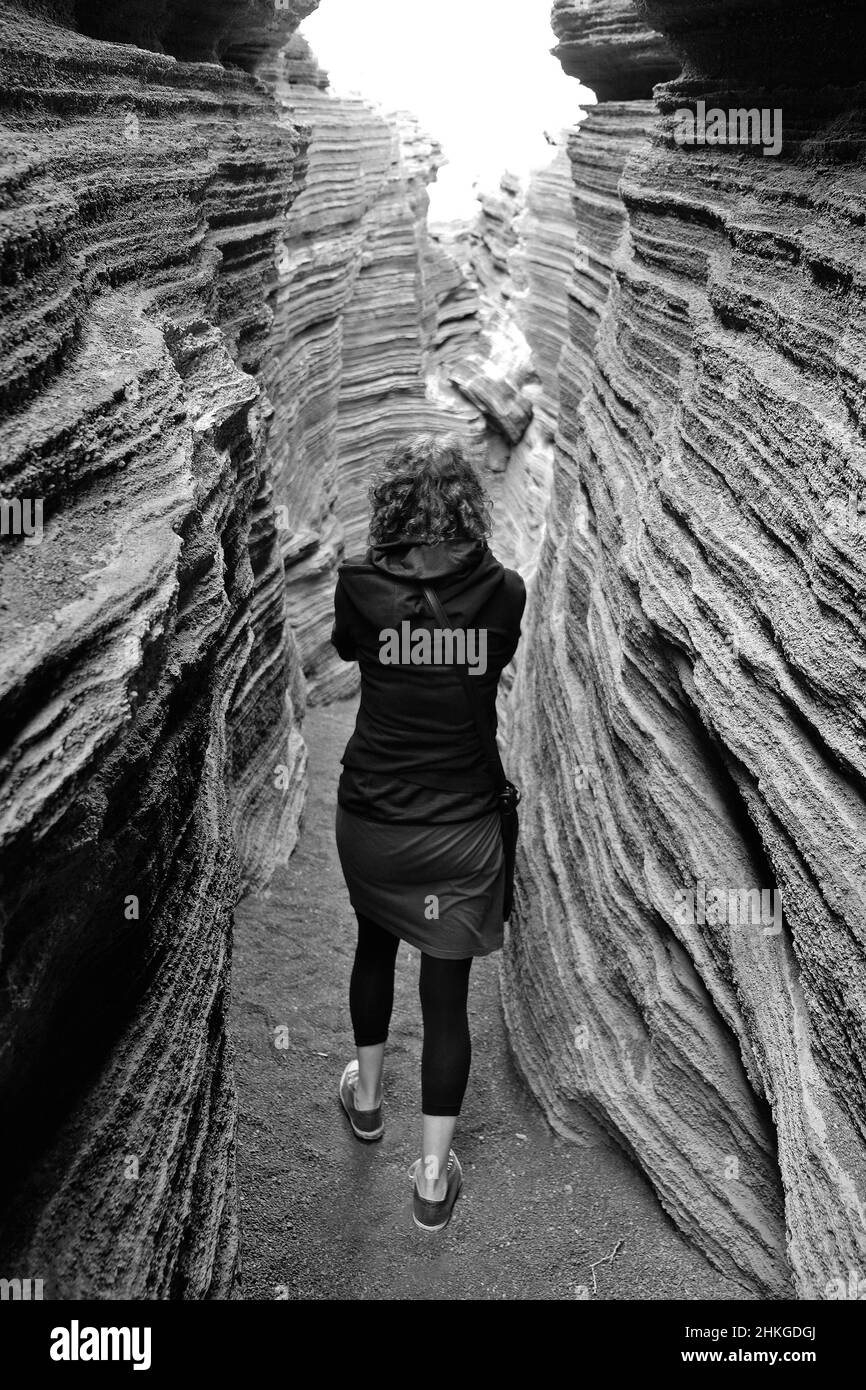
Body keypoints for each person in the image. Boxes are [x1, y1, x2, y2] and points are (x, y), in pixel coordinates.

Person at [331, 432, 526, 1232]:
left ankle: (368, 1103)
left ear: (392, 511)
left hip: (374, 816)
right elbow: (489, 665)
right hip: (461, 829)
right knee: (447, 1001)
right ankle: (434, 1182)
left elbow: (350, 649)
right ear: (471, 512)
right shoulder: (504, 592)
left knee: (374, 945)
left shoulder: (358, 588)